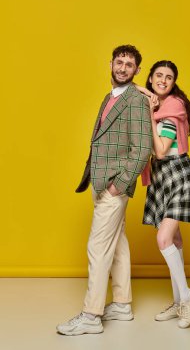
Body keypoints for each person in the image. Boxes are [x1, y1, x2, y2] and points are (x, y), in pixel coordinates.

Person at [56, 45, 152, 335]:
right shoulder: (111, 96)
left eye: (129, 64)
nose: (122, 68)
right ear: (110, 63)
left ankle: (91, 315)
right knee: (117, 243)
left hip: (113, 184)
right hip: (99, 180)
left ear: (137, 70)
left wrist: (118, 184)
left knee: (98, 247)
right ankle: (121, 304)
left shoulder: (135, 101)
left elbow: (142, 148)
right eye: (119, 62)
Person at [140, 60, 190, 329]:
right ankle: (178, 302)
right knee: (174, 239)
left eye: (169, 77)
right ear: (151, 78)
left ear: (174, 81)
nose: (163, 80)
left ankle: (187, 295)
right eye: (158, 76)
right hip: (162, 176)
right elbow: (131, 87)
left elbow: (161, 150)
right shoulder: (158, 107)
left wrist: (151, 112)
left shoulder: (171, 108)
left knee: (163, 238)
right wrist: (148, 99)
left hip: (177, 173)